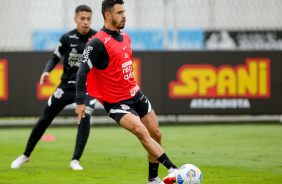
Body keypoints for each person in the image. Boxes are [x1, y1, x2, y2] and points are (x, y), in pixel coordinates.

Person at [75, 0, 178, 183]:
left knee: (156, 133)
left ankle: (153, 179)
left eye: (124, 11)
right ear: (108, 15)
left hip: (135, 94)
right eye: (120, 12)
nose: (124, 15)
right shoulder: (97, 42)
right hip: (116, 102)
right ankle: (173, 169)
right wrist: (80, 102)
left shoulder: (126, 37)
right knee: (140, 130)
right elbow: (82, 71)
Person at [11, 5, 97, 170]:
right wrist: (46, 71)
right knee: (44, 119)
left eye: (88, 19)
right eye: (82, 18)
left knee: (85, 117)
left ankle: (75, 160)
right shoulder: (67, 37)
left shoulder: (97, 38)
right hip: (65, 87)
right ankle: (25, 155)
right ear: (75, 19)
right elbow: (54, 57)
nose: (85, 22)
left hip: (86, 89)